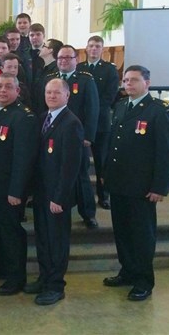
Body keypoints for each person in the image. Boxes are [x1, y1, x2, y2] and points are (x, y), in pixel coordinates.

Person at [103, 65, 169, 301]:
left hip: (142, 187)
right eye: (125, 81)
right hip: (119, 183)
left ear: (147, 82)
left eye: (134, 80)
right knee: (123, 231)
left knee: (142, 235)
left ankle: (144, 280)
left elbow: (166, 153)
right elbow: (114, 144)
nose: (128, 84)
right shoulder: (122, 105)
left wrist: (159, 186)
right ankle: (127, 271)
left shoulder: (159, 111)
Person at [25, 78, 83, 306]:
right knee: (43, 238)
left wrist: (59, 197)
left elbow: (70, 166)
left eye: (56, 93)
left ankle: (56, 285)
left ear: (67, 95)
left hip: (57, 196)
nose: (51, 96)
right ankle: (44, 277)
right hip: (41, 194)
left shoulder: (71, 123)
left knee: (56, 241)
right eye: (48, 92)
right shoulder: (43, 118)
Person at [0, 73, 38, 294]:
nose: (2, 90)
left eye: (7, 87)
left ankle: (16, 277)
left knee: (11, 232)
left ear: (17, 91)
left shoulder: (24, 117)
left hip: (9, 189)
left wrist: (17, 191)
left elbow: (23, 158)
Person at [48, 45, 100, 229]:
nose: (63, 61)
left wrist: (87, 136)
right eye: (60, 57)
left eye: (68, 58)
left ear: (76, 59)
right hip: (53, 137)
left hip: (78, 138)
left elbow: (92, 109)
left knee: (81, 175)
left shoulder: (85, 80)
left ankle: (88, 213)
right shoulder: (50, 80)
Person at [76, 36, 120, 210]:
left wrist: (92, 111)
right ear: (86, 49)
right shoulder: (79, 68)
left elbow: (110, 96)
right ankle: (79, 196)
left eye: (97, 46)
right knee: (79, 161)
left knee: (102, 161)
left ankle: (103, 195)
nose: (94, 49)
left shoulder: (109, 70)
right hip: (80, 122)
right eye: (91, 46)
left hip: (101, 123)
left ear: (103, 50)